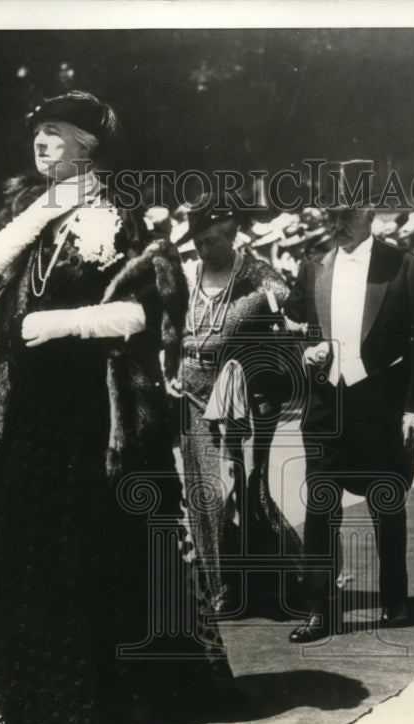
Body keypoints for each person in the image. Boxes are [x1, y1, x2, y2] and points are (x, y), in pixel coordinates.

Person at [0, 90, 239, 724]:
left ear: (88, 143)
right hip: (28, 410)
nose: (39, 143)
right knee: (20, 549)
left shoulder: (118, 217)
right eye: (36, 133)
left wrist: (57, 323)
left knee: (82, 550)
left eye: (55, 133)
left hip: (91, 411)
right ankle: (26, 693)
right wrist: (40, 210)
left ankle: (86, 697)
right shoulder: (33, 214)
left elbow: (143, 313)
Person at [283, 160, 414, 643]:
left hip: (382, 405)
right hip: (327, 406)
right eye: (331, 213)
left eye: (347, 212)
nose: (338, 222)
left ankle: (393, 599)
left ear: (370, 212)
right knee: (321, 507)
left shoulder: (402, 263)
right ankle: (321, 612)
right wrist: (307, 348)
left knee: (386, 506)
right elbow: (294, 325)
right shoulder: (314, 266)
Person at [170, 195, 304, 616]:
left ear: (230, 234)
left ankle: (287, 571)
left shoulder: (258, 275)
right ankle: (220, 586)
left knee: (246, 491)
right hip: (190, 393)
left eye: (210, 240)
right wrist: (169, 368)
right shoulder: (186, 276)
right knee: (204, 493)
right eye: (197, 242)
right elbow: (167, 327)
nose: (203, 249)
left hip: (243, 397)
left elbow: (297, 317)